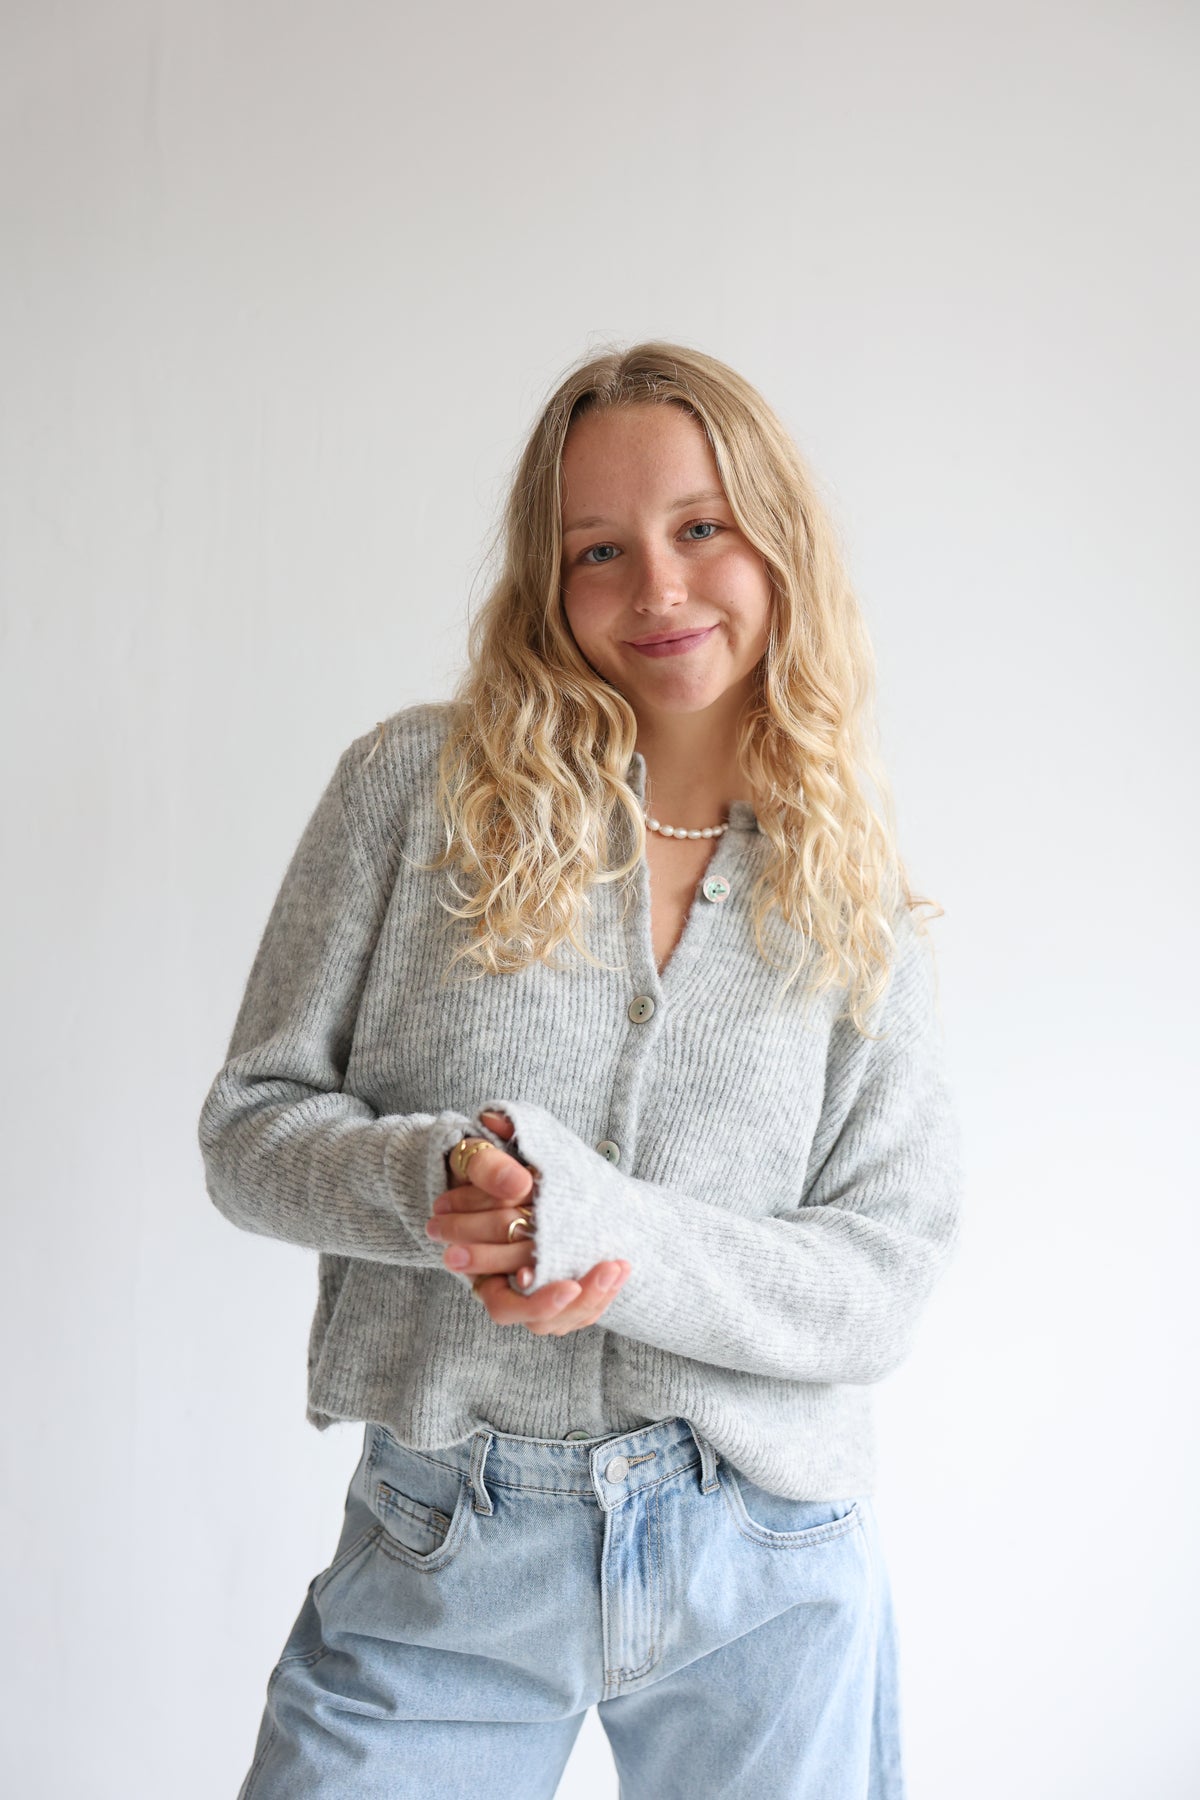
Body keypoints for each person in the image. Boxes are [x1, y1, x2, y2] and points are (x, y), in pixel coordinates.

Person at [198, 340, 964, 1799]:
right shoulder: (413, 790)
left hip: (765, 1568)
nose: (658, 588)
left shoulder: (850, 891)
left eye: (701, 527)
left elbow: (883, 1277)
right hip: (446, 1550)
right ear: (546, 584)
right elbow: (250, 1129)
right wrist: (432, 1187)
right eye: (598, 549)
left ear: (778, 543)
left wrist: (610, 1234)